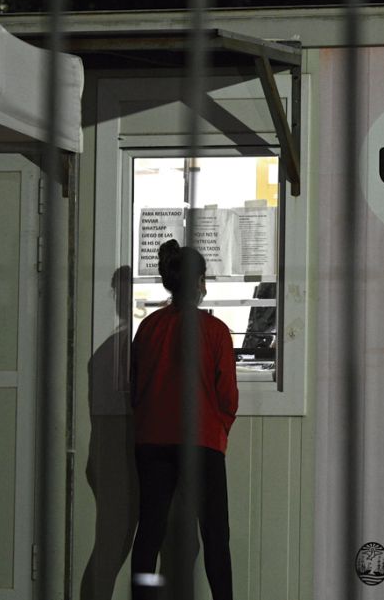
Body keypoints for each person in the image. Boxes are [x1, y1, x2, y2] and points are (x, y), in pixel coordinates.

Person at [130, 239, 238, 600]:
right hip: (201, 439)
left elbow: (136, 389)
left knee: (149, 532)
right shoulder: (215, 331)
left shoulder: (147, 329)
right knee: (214, 537)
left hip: (152, 440)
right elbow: (228, 397)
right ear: (198, 283)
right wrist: (218, 428)